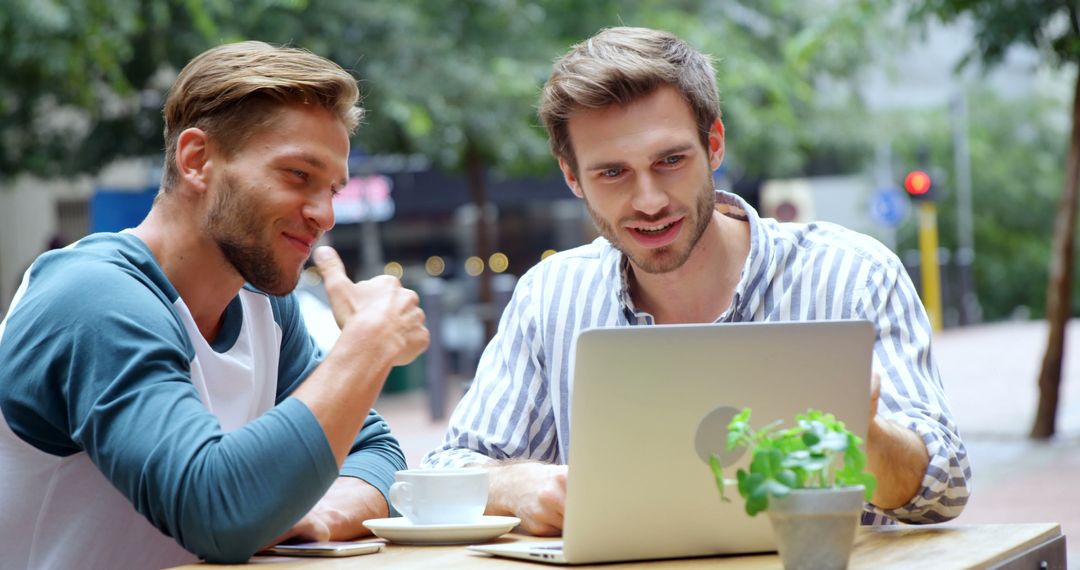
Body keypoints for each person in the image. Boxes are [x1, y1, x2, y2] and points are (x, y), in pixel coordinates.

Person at [423, 26, 970, 535]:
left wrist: (866, 438)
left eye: (670, 160)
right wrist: (520, 486)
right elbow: (449, 469)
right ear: (572, 178)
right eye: (611, 173)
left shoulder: (851, 274)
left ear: (713, 146)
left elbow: (944, 491)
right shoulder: (550, 297)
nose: (649, 200)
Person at [0, 41, 428, 568]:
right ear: (197, 160)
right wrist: (367, 346)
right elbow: (217, 515)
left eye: (333, 189)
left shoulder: (263, 304)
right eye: (298, 175)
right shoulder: (92, 297)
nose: (324, 214)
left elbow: (376, 452)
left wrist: (322, 514)